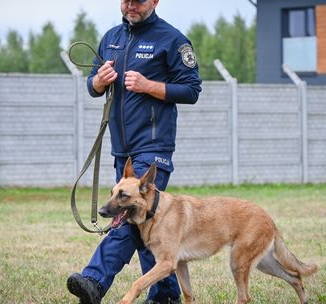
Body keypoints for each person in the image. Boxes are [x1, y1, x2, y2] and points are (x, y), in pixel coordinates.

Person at [66, 0, 202, 303]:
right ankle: (165, 295)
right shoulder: (111, 37)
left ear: (154, 1)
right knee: (144, 225)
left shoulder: (173, 39)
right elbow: (94, 85)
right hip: (122, 150)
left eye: (139, 1)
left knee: (129, 215)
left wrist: (148, 85)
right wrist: (98, 82)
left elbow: (192, 89)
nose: (130, 6)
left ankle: (94, 281)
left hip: (154, 147)